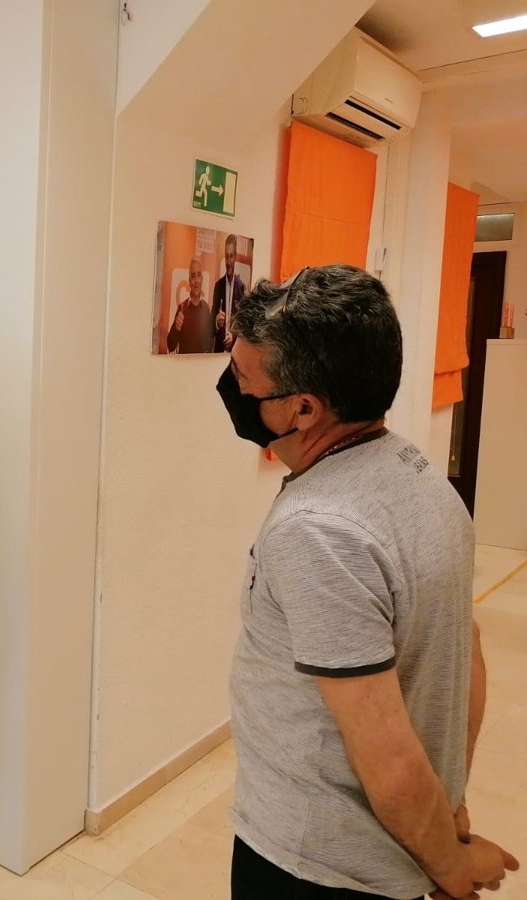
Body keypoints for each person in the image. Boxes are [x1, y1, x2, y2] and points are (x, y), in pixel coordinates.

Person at [217, 264, 519, 900]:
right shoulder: (418, 474)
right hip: (391, 849)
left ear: (303, 408)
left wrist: (451, 865)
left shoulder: (318, 529)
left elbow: (387, 755)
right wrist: (449, 811)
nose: (232, 390)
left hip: (318, 863)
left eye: (243, 381)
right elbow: (464, 651)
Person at [166, 256, 214, 353]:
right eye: (193, 276)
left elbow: (209, 344)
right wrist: (176, 328)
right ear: (189, 280)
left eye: (198, 275)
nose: (196, 281)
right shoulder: (182, 308)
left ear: (202, 279)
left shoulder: (206, 309)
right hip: (184, 363)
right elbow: (170, 345)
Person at [211, 233, 246, 353]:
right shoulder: (218, 286)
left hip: (234, 353)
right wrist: (216, 323)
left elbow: (243, 325)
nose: (228, 261)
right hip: (218, 352)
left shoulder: (241, 288)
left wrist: (233, 336)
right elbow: (210, 326)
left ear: (235, 256)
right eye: (226, 256)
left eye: (231, 256)